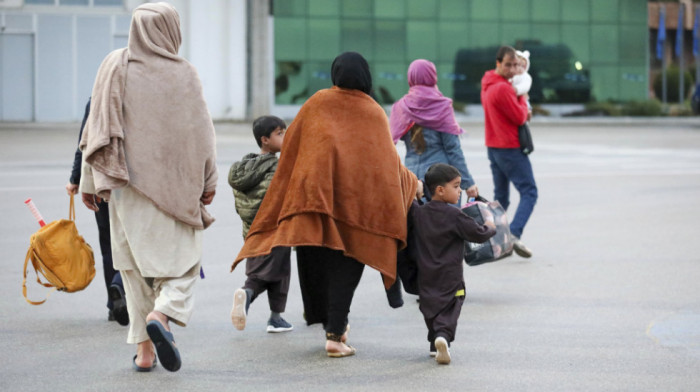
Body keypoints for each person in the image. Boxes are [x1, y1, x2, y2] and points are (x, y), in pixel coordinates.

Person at [232, 51, 421, 358]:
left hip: (314, 206)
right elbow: (386, 164)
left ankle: (331, 325)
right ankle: (335, 333)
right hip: (354, 211)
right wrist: (412, 184)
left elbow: (292, 148)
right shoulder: (372, 111)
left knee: (316, 265)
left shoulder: (317, 103)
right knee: (347, 268)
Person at [79, 2, 218, 373]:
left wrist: (89, 181)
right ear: (171, 30)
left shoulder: (114, 66)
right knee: (185, 265)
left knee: (133, 271)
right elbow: (202, 132)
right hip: (175, 187)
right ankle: (165, 312)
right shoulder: (184, 73)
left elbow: (97, 127)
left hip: (125, 189)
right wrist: (209, 180)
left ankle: (144, 353)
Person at [408, 163, 495, 365]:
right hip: (451, 275)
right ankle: (443, 337)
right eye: (456, 186)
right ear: (440, 190)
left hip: (425, 274)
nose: (459, 191)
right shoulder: (454, 215)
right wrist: (490, 225)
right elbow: (479, 234)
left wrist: (417, 193)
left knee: (431, 306)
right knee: (452, 306)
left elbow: (411, 201)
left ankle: (434, 342)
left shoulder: (419, 213)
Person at [66, 97, 128, 326]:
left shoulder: (96, 99)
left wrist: (76, 179)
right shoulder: (141, 92)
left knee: (108, 244)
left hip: (101, 180)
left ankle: (114, 304)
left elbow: (85, 142)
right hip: (131, 183)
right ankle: (121, 286)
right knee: (133, 241)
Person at [229, 115, 293, 333]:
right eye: (280, 133)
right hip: (275, 230)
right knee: (271, 274)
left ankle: (276, 318)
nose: (285, 136)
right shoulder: (276, 167)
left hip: (251, 233)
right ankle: (247, 294)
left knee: (272, 271)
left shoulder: (245, 168)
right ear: (265, 139)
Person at [390, 59, 479, 202]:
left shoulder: (401, 107)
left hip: (413, 180)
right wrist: (468, 183)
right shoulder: (441, 105)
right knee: (445, 223)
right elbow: (453, 150)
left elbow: (390, 144)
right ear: (433, 76)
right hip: (441, 180)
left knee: (418, 222)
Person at [480, 45, 537, 258]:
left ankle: (495, 241)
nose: (513, 69)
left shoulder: (487, 83)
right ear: (498, 63)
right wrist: (523, 99)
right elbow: (520, 117)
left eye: (515, 65)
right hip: (509, 147)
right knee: (530, 191)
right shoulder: (504, 88)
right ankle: (513, 234)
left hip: (493, 146)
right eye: (508, 65)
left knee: (501, 197)